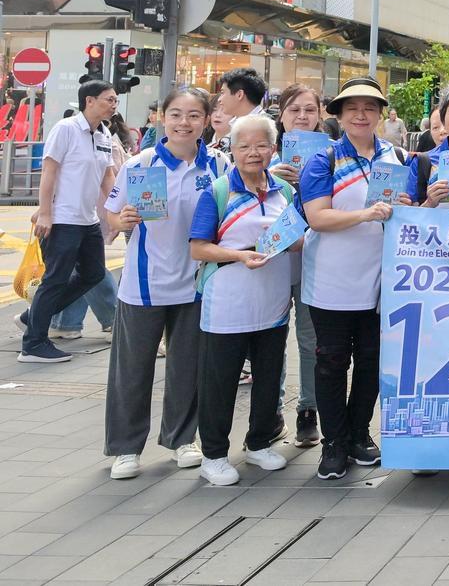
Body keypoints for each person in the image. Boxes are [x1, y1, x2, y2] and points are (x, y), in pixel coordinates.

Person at [96, 86, 218, 478]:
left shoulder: (216, 167)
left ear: (206, 121)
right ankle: (125, 449)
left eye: (194, 115)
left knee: (187, 367)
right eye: (177, 114)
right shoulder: (141, 164)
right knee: (132, 370)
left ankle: (182, 439)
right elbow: (112, 215)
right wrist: (123, 220)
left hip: (196, 284)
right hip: (144, 285)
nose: (185, 123)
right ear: (163, 117)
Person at [300, 77, 416, 481]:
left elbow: (411, 212)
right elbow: (317, 216)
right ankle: (333, 442)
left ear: (381, 114)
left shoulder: (398, 157)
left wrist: (417, 204)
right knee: (332, 362)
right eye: (352, 108)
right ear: (340, 116)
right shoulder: (324, 160)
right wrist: (367, 214)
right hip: (331, 280)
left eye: (369, 107)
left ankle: (359, 433)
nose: (361, 114)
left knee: (372, 360)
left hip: (384, 282)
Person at [188, 114, 298, 486]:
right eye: (244, 146)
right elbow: (198, 248)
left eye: (261, 145)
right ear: (231, 150)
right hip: (227, 302)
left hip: (272, 302)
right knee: (220, 380)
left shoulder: (284, 190)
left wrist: (284, 242)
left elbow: (299, 235)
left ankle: (259, 442)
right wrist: (240, 255)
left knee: (269, 376)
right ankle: (214, 454)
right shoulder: (218, 191)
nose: (254, 153)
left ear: (273, 148)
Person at [20, 80, 118, 363]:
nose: (113, 105)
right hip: (62, 219)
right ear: (90, 101)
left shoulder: (103, 133)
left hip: (87, 221)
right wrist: (46, 212)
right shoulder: (65, 129)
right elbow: (49, 172)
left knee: (93, 273)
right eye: (108, 99)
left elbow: (107, 176)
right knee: (55, 279)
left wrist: (117, 207)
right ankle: (33, 345)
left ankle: (33, 316)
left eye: (115, 100)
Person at [268, 84, 325, 449]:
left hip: (313, 263)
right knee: (270, 340)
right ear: (282, 116)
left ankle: (308, 410)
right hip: (271, 263)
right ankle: (270, 411)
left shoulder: (331, 157)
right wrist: (274, 177)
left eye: (309, 110)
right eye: (294, 110)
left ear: (321, 114)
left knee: (310, 340)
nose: (302, 117)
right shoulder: (263, 155)